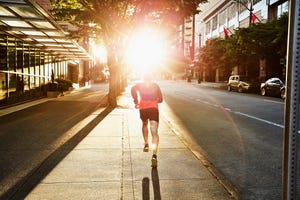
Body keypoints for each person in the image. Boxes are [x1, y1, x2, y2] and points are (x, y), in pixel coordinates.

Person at [131, 73, 163, 167]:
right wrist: (155, 100)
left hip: (143, 108)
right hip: (153, 108)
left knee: (144, 124)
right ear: (152, 78)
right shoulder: (155, 86)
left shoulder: (139, 85)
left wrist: (136, 101)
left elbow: (133, 89)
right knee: (154, 131)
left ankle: (146, 143)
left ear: (143, 78)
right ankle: (154, 155)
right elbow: (161, 99)